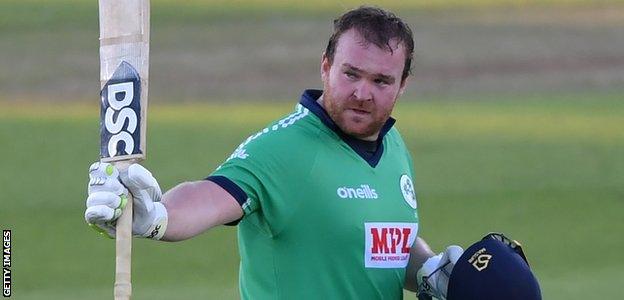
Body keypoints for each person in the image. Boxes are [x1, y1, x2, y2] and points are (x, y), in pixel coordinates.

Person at [85, 6, 540, 300]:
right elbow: (211, 195)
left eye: (382, 82)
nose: (363, 93)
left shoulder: (392, 147)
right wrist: (157, 217)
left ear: (403, 86)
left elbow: (379, 242)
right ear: (326, 67)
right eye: (351, 74)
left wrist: (427, 268)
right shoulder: (282, 150)